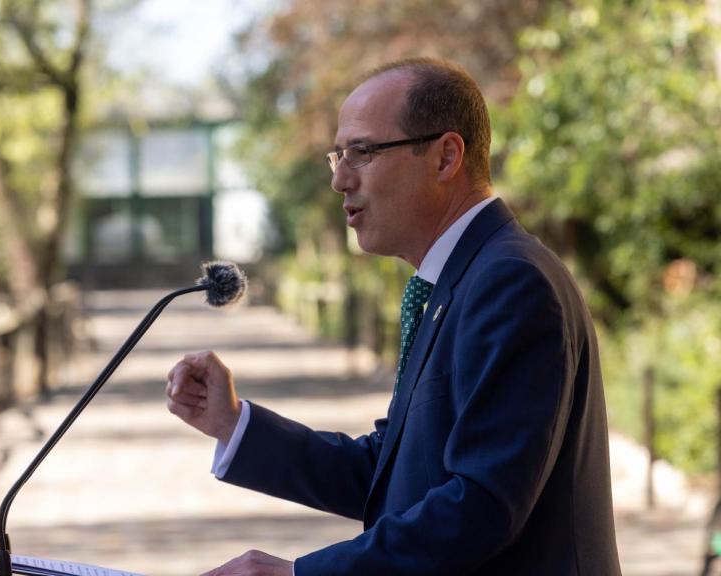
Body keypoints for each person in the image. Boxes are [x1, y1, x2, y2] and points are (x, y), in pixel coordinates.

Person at [165, 57, 621, 575]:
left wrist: (300, 575)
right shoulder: (460, 279)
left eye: (362, 152)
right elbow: (389, 473)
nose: (339, 179)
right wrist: (233, 423)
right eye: (337, 155)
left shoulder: (511, 281)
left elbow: (484, 505)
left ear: (446, 157)